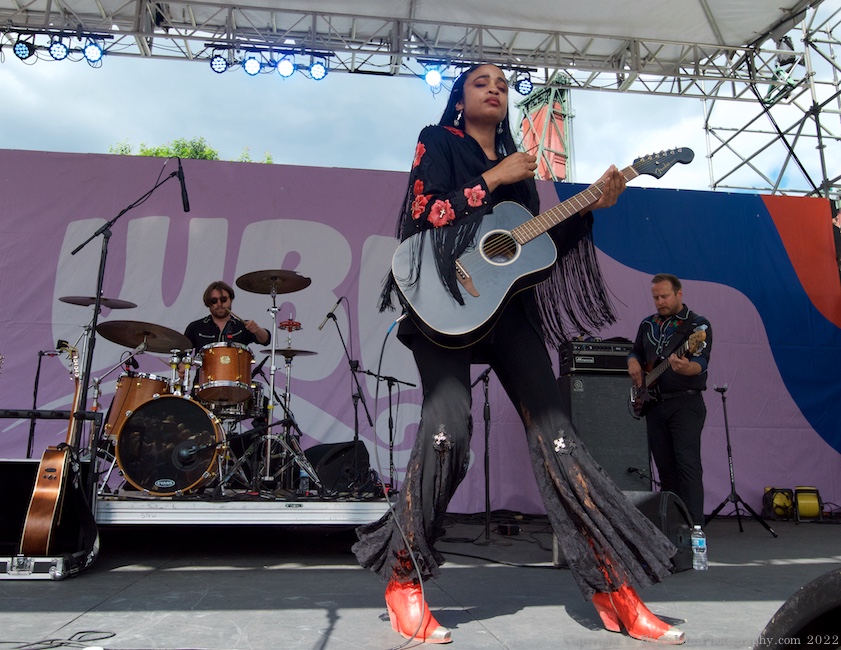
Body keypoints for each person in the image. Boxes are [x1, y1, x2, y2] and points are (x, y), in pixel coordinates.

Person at [352, 64, 685, 645]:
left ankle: (614, 586)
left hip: (507, 315)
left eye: (504, 85)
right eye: (482, 82)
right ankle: (404, 577)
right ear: (459, 98)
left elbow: (534, 245)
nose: (496, 89)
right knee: (447, 431)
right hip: (441, 305)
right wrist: (491, 177)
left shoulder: (524, 167)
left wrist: (588, 210)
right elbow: (421, 213)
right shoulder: (438, 143)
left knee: (562, 441)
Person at [627, 273, 712, 527]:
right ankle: (673, 525)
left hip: (685, 404)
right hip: (654, 405)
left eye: (664, 296)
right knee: (665, 470)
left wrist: (686, 368)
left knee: (688, 467)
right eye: (656, 298)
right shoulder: (647, 324)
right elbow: (636, 351)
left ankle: (695, 528)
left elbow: (701, 363)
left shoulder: (697, 326)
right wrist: (632, 362)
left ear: (679, 294)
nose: (660, 302)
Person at [184, 280, 270, 351]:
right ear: (208, 303)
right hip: (205, 372)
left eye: (223, 299)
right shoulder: (196, 327)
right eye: (214, 301)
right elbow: (181, 353)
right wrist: (182, 366)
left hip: (237, 371)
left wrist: (257, 329)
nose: (219, 304)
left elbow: (266, 340)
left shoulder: (242, 326)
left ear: (231, 300)